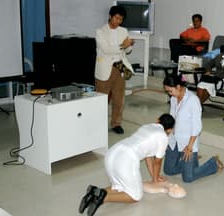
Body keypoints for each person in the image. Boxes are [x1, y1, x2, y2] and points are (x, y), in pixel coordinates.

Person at [78, 113, 175, 216]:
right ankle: (103, 197)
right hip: (126, 158)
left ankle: (94, 192)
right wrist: (155, 180)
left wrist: (154, 177)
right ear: (169, 130)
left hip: (113, 152)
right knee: (135, 196)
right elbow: (157, 162)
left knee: (120, 186)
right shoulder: (163, 137)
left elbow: (148, 156)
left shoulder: (147, 127)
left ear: (157, 120)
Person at [163, 74, 224, 183]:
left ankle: (213, 163)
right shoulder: (173, 98)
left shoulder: (193, 100)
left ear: (178, 86)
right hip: (174, 139)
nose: (169, 94)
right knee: (168, 170)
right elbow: (172, 119)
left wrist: (190, 147)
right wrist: (167, 138)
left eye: (170, 91)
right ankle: (192, 162)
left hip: (188, 142)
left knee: (188, 178)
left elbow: (197, 127)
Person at [95, 5, 135, 134]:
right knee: (101, 99)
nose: (118, 21)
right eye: (117, 18)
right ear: (110, 16)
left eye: (121, 19)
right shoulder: (100, 31)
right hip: (105, 68)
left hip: (120, 68)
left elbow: (128, 50)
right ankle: (98, 125)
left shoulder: (123, 31)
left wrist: (128, 45)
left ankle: (116, 123)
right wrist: (123, 45)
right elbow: (106, 49)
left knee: (119, 99)